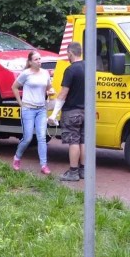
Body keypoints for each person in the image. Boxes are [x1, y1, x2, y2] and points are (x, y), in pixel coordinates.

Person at [12, 50, 54, 175]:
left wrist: (51, 91)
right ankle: (17, 157)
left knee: (42, 137)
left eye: (40, 59)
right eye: (36, 59)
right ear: (30, 62)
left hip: (41, 109)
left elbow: (49, 87)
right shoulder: (26, 74)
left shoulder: (45, 73)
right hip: (28, 109)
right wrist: (20, 102)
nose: (39, 61)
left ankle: (44, 165)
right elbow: (14, 87)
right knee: (28, 138)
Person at [48, 41, 85, 181]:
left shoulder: (71, 70)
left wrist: (54, 113)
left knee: (73, 141)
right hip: (86, 111)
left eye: (67, 54)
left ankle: (73, 172)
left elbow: (63, 93)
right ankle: (83, 170)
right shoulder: (89, 67)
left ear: (70, 53)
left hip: (72, 112)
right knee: (83, 141)